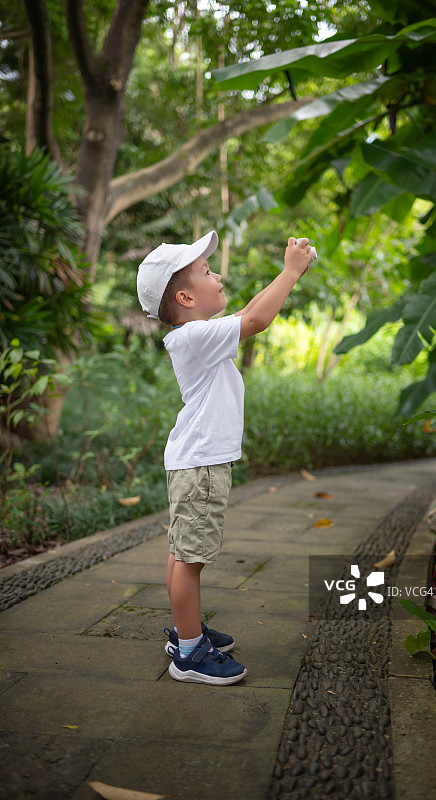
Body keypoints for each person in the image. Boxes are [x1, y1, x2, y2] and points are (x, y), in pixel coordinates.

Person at [137, 230, 313, 685]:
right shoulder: (195, 337)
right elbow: (256, 319)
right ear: (184, 297)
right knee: (190, 557)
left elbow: (246, 312)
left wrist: (284, 275)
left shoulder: (197, 334)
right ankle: (190, 654)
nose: (217, 275)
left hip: (193, 460)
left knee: (183, 552)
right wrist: (290, 271)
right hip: (200, 464)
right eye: (207, 271)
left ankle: (186, 631)